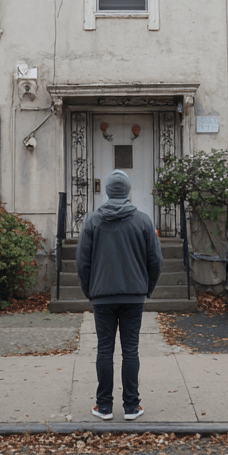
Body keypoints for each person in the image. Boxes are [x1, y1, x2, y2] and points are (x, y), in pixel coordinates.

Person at [77, 169, 162, 421]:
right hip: (133, 296)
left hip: (103, 296)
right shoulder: (144, 221)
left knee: (104, 350)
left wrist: (90, 290)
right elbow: (155, 261)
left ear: (107, 191)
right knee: (130, 350)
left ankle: (103, 406)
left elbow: (82, 262)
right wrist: (147, 287)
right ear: (127, 191)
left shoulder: (92, 221)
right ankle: (131, 406)